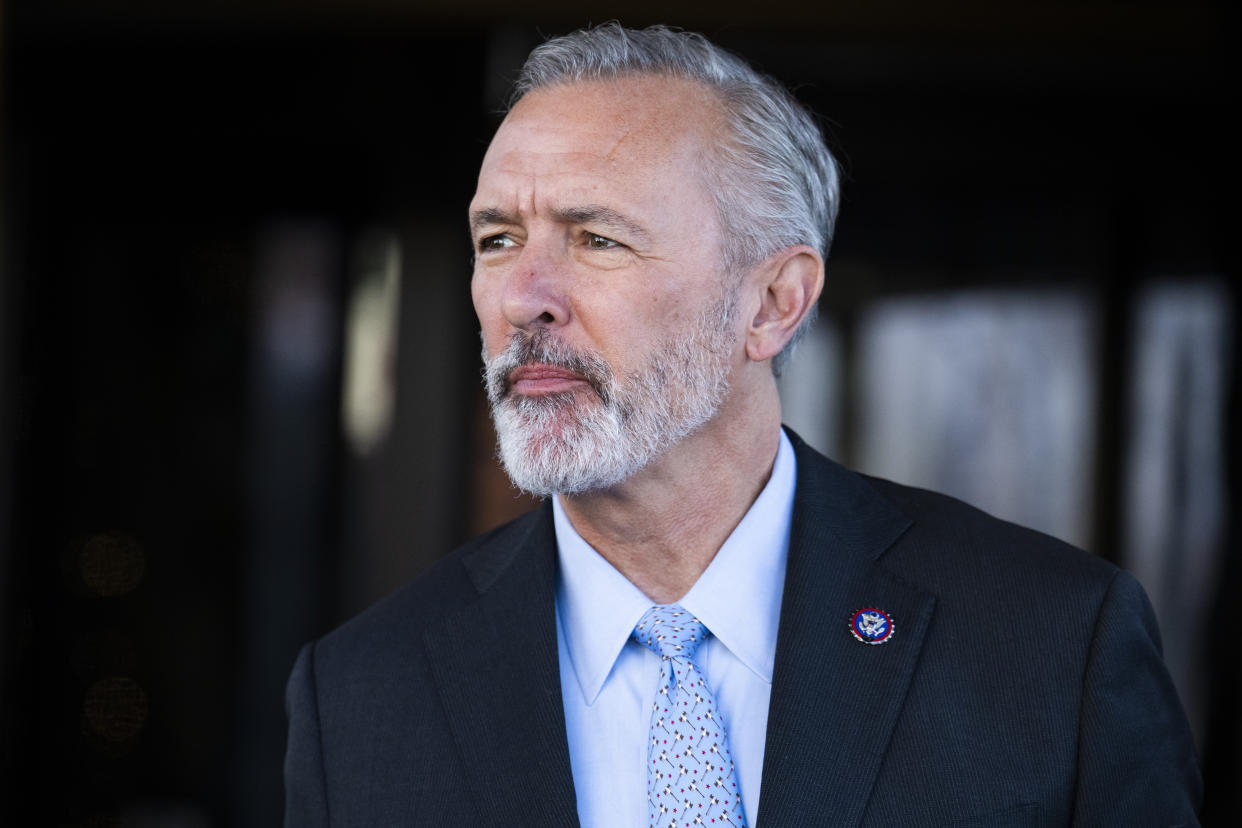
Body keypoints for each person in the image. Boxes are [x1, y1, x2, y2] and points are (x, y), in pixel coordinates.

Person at [284, 23, 1202, 827]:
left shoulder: (1051, 644)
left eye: (597, 238)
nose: (525, 298)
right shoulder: (361, 695)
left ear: (772, 302)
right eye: (498, 240)